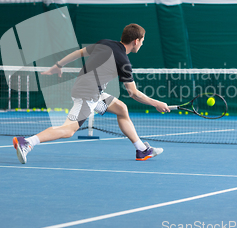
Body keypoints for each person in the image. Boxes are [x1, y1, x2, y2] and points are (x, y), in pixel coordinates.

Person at [13, 23, 171, 163]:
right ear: (136, 41)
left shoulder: (105, 43)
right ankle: (27, 142)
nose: (142, 44)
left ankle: (142, 150)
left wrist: (59, 64)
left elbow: (80, 52)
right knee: (69, 130)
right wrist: (157, 103)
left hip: (91, 91)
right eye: (142, 41)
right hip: (87, 94)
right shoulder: (123, 61)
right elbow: (133, 93)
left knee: (121, 109)